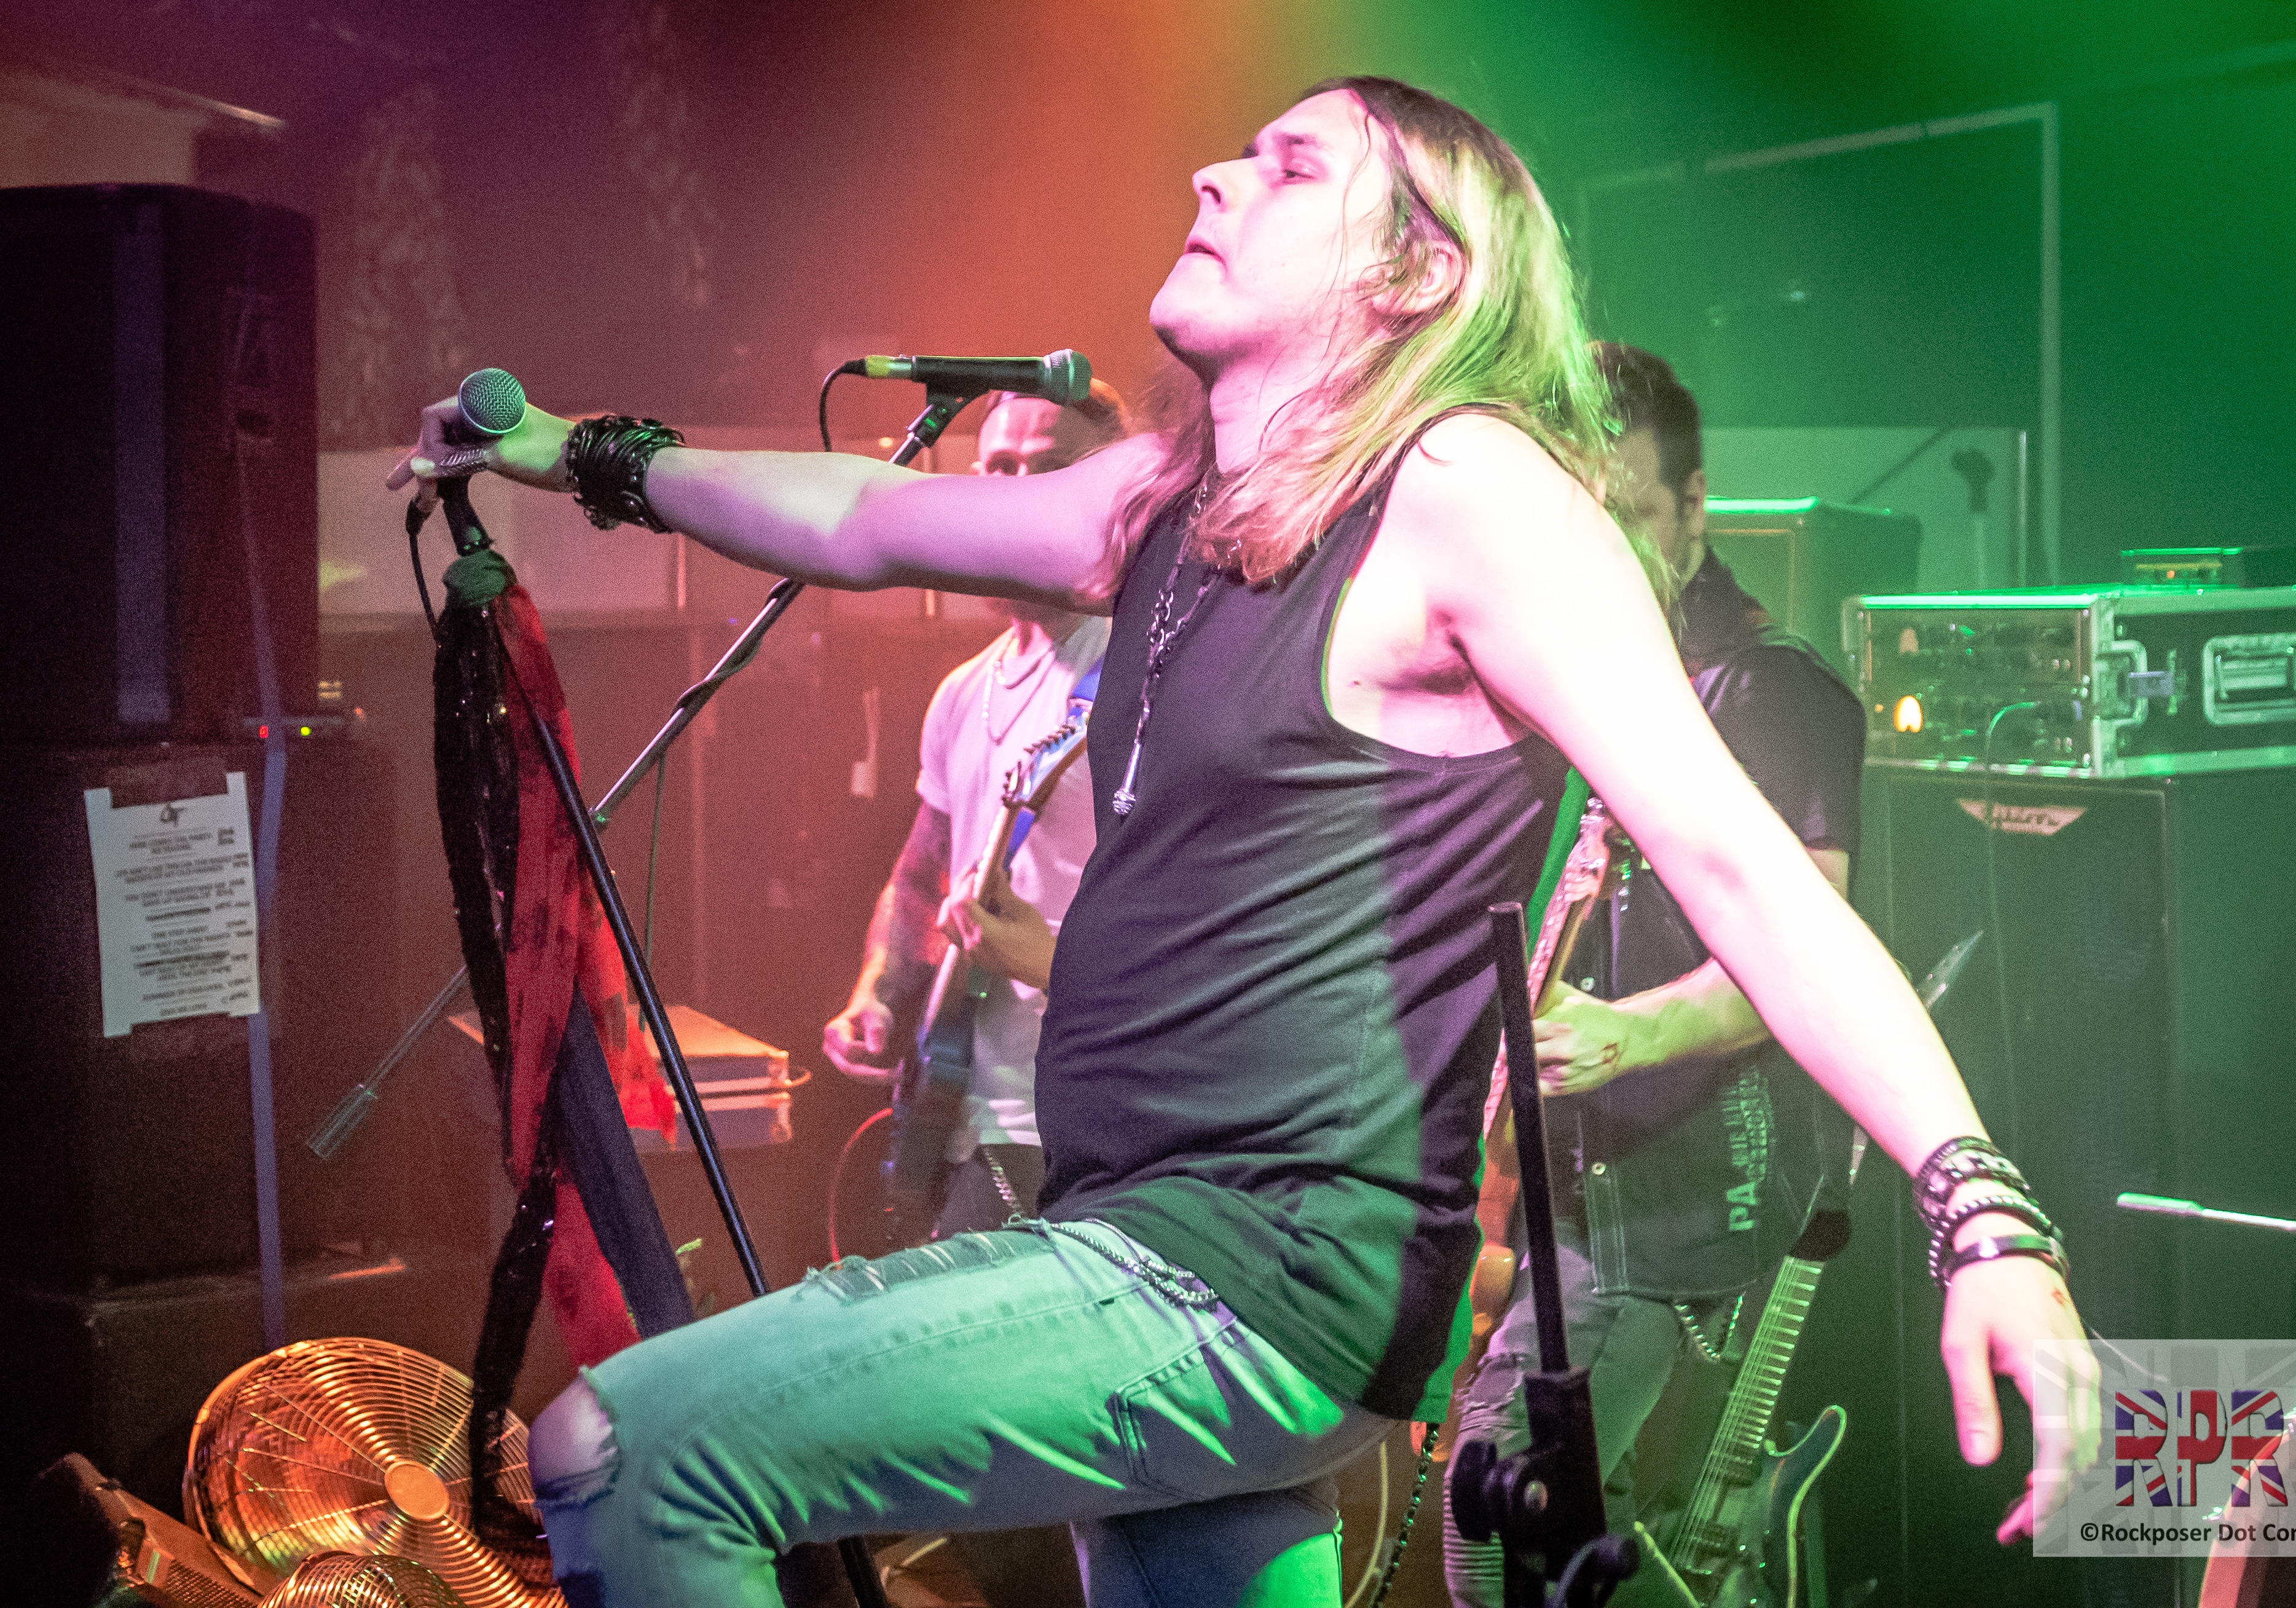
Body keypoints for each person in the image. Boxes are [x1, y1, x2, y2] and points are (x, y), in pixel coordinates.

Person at [394, 76, 2095, 1608]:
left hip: (1238, 1279)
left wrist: (1984, 1220)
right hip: (1173, 1252)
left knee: (629, 1456)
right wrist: (570, 453)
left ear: (1416, 274)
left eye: (1290, 167)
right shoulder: (1175, 500)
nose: (1214, 174)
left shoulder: (1466, 493)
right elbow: (869, 517)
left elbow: (1744, 869)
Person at [1440, 345, 1868, 1605]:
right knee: (1586, 1529)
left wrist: (1627, 1034)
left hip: (1676, 1192)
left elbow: (1803, 958)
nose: (1606, 554)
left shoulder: (1775, 692)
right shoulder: (1554, 679)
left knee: (1504, 1531)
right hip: (1560, 1191)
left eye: (1631, 515)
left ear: (1694, 507)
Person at [820, 388, 1123, 1608]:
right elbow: (919, 872)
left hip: (1084, 1119)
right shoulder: (965, 691)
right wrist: (875, 993)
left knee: (1013, 1451)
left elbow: (1214, 916)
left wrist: (1049, 953)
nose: (1007, 491)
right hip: (962, 1107)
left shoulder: (1137, 675)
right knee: (974, 1459)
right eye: (990, 466)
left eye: (1042, 466)